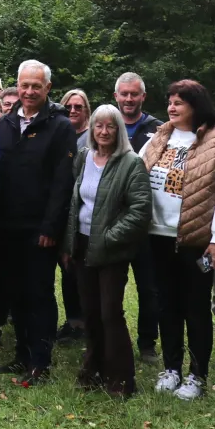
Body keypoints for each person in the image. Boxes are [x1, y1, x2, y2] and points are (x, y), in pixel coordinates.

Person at [139, 79, 215, 401]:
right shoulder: (160, 137)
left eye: (179, 102)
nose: (171, 107)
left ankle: (197, 374)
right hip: (157, 238)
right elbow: (135, 174)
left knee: (194, 307)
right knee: (166, 305)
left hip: (197, 241)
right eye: (170, 101)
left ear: (195, 105)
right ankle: (171, 368)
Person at [0, 60, 74, 386]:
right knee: (15, 293)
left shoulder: (60, 127)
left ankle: (40, 361)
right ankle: (21, 355)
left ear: (48, 88)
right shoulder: (6, 124)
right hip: (7, 227)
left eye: (36, 86)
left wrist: (51, 228)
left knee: (39, 294)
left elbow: (63, 182)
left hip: (39, 230)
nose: (29, 91)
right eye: (24, 85)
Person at [62, 104, 151, 398]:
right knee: (90, 311)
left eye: (110, 126)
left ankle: (122, 379)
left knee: (110, 312)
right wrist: (70, 242)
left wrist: (111, 236)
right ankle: (93, 369)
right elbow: (76, 202)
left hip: (111, 248)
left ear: (118, 130)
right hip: (83, 245)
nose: (103, 132)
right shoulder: (85, 157)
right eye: (98, 126)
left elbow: (139, 211)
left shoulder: (131, 162)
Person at [114, 71, 164, 362]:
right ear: (116, 96)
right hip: (114, 221)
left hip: (148, 223)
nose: (129, 99)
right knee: (112, 284)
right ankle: (114, 338)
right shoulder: (106, 125)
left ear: (143, 97)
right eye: (124, 94)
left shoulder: (159, 129)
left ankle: (147, 343)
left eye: (134, 94)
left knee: (150, 286)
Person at [55, 88, 94, 345]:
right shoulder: (60, 133)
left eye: (78, 107)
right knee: (66, 267)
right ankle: (72, 321)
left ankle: (88, 321)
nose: (73, 110)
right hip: (61, 209)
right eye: (68, 106)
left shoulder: (92, 137)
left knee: (84, 269)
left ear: (86, 110)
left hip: (85, 212)